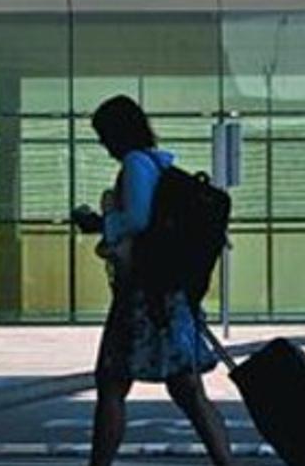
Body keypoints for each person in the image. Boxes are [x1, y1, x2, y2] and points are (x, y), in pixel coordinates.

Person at [72, 95, 232, 466]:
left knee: (111, 381)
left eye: (103, 136)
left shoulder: (135, 164)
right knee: (188, 389)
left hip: (142, 295)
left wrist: (104, 223)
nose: (103, 145)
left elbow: (139, 220)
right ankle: (226, 463)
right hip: (168, 294)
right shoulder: (159, 164)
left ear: (117, 133)